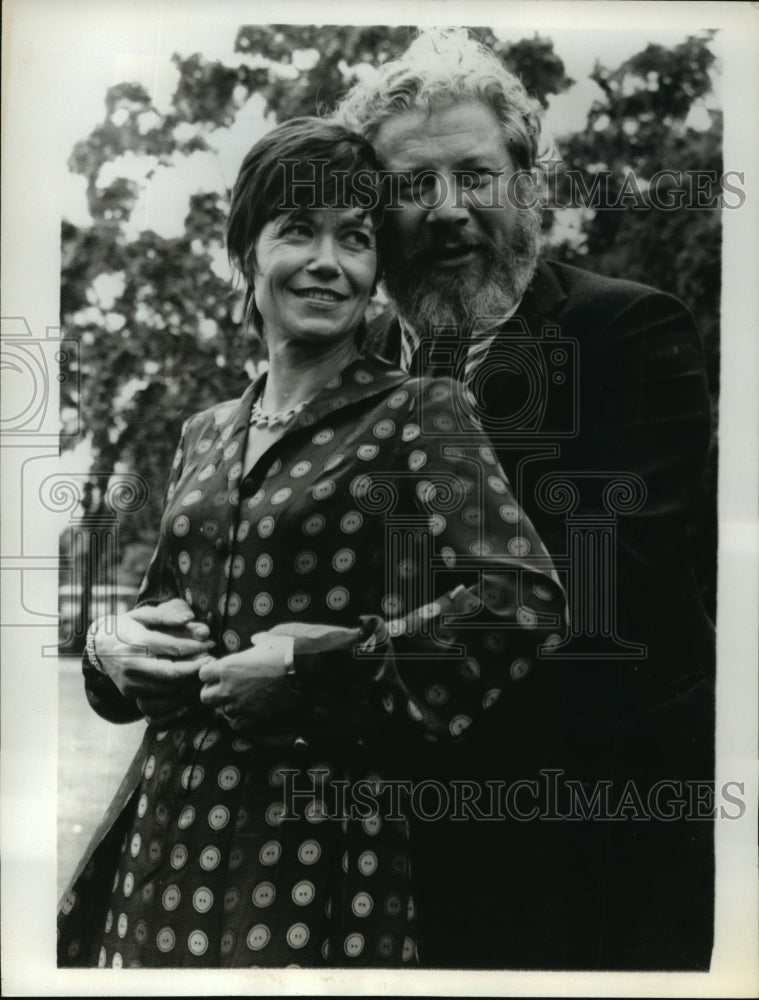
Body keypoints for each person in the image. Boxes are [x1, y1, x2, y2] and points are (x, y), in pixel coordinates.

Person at [56, 116, 567, 969]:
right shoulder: (204, 433)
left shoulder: (419, 410)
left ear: (376, 273)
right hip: (164, 829)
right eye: (298, 231)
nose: (328, 262)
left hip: (314, 840)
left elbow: (520, 600)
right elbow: (153, 621)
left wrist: (321, 667)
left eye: (356, 238)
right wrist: (112, 650)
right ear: (246, 256)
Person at [332, 28, 716, 970]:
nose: (447, 211)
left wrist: (319, 668)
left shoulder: (623, 332)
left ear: (528, 182)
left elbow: (592, 596)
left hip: (584, 851)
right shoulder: (355, 375)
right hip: (394, 859)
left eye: (475, 174)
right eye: (412, 185)